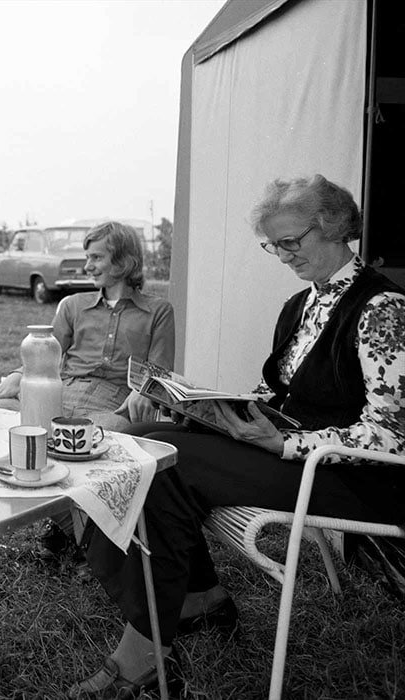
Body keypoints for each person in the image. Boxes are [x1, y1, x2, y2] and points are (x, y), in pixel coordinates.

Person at [69, 175, 405, 699]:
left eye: (291, 241)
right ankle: (198, 597)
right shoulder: (301, 305)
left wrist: (283, 444)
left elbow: (391, 438)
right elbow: (277, 391)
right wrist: (210, 409)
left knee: (158, 468)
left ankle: (146, 650)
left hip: (347, 477)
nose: (282, 255)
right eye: (273, 245)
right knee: (135, 439)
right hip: (288, 454)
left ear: (336, 226)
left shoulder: (382, 309)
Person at [0, 221, 175, 555]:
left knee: (93, 443)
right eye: (86, 257)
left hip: (112, 405)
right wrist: (18, 375)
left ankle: (82, 537)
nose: (87, 265)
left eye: (96, 257)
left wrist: (144, 389)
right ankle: (65, 524)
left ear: (124, 261)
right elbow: (46, 352)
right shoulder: (73, 305)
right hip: (60, 395)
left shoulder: (159, 311)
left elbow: (160, 371)